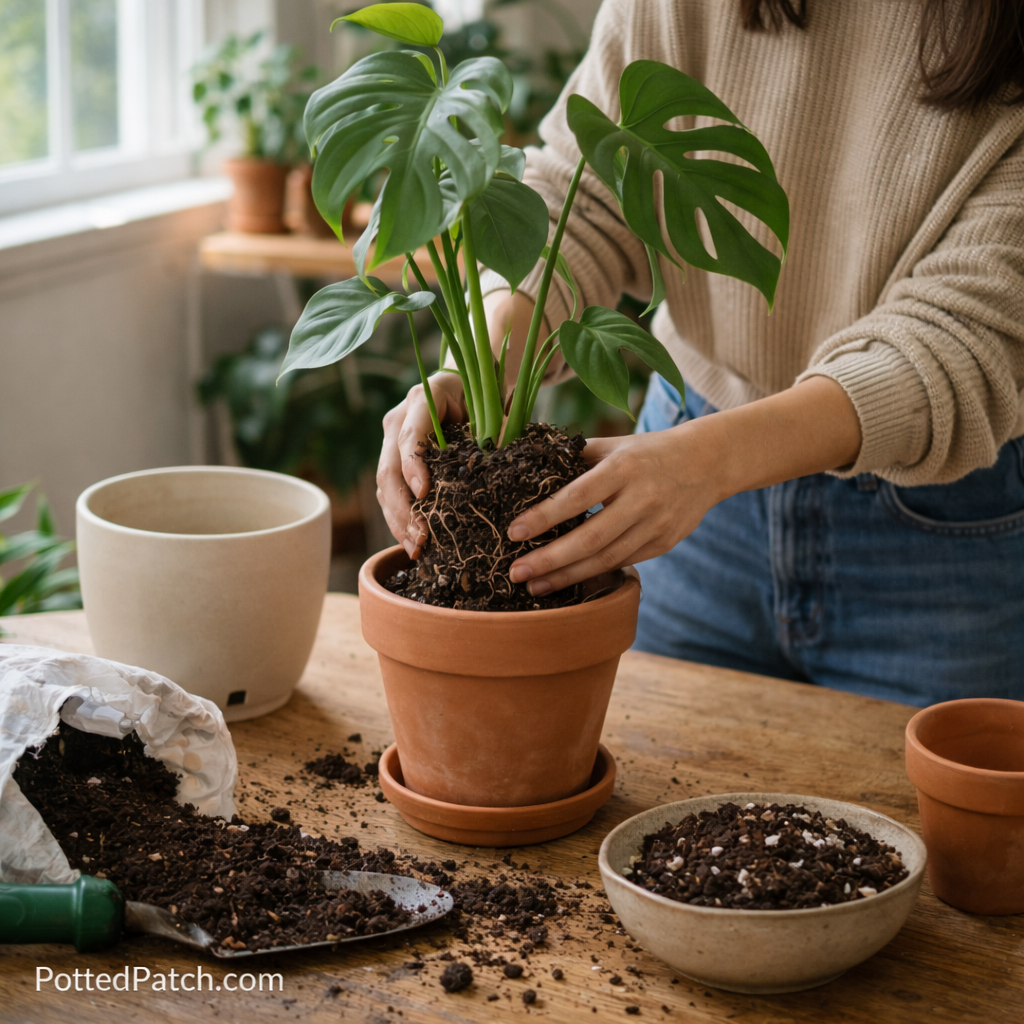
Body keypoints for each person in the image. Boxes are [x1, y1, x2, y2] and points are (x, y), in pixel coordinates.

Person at [376, 0, 1024, 706]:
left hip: (946, 529)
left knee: (921, 813)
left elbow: (972, 327)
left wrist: (707, 462)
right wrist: (481, 365)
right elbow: (584, 195)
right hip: (683, 510)